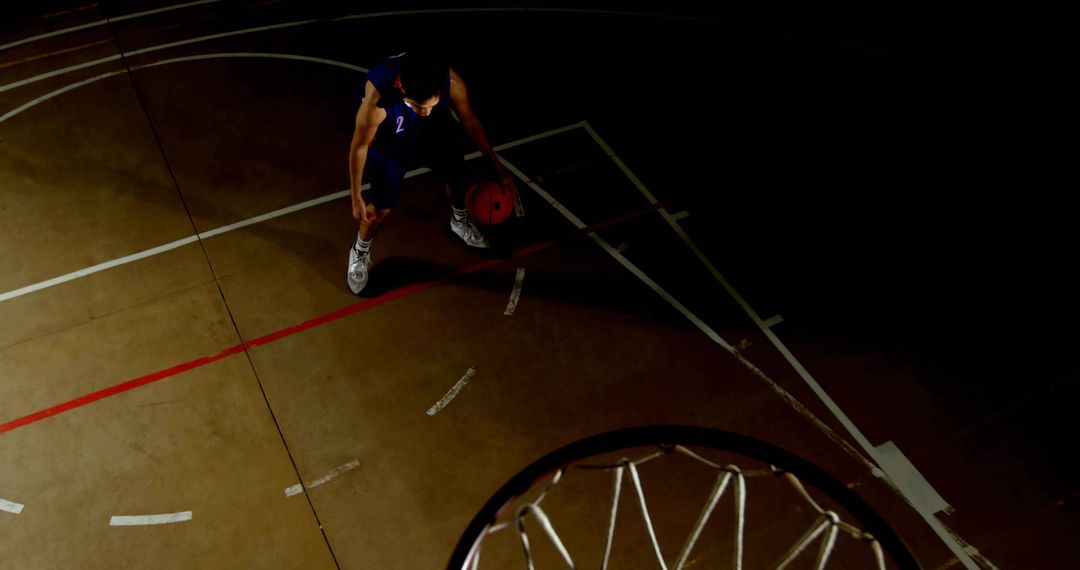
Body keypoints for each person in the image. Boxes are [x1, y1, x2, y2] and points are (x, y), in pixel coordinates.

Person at [346, 50, 517, 295]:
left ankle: (459, 221)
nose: (424, 111)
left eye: (431, 106)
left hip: (434, 135)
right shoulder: (378, 97)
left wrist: (496, 165)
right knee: (380, 208)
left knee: (458, 175)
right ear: (401, 87)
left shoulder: (452, 83)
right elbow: (360, 145)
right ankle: (360, 250)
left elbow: (470, 121)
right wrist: (355, 197)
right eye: (418, 106)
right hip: (391, 146)